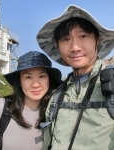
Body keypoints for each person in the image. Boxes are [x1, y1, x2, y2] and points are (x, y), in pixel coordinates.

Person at [36, 5, 114, 150]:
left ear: (97, 40)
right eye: (66, 39)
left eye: (83, 36)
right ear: (58, 46)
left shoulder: (112, 83)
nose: (75, 47)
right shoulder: (57, 94)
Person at [0, 51, 62, 150]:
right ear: (20, 81)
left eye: (42, 76)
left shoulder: (54, 112)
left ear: (49, 79)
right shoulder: (1, 107)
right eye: (28, 77)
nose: (36, 84)